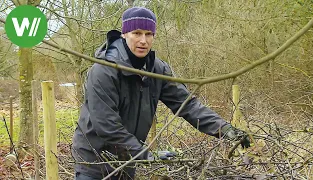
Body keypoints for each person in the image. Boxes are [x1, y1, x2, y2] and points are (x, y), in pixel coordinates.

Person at [72, 7, 250, 180]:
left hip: (128, 159)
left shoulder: (156, 69)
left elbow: (187, 104)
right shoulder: (104, 70)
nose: (143, 40)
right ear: (124, 34)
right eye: (137, 33)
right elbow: (106, 124)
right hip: (94, 161)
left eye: (149, 34)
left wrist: (224, 128)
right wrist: (145, 154)